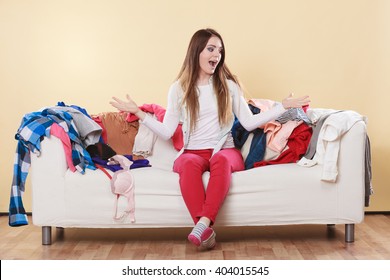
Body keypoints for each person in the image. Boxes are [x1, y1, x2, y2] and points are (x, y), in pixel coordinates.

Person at [110, 28, 310, 250]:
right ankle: (205, 234)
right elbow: (167, 131)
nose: (217, 55)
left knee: (221, 161)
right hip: (192, 152)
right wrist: (140, 114)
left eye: (220, 51)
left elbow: (249, 122)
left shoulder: (228, 86)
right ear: (196, 52)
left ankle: (203, 223)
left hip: (225, 152)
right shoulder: (179, 89)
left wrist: (282, 107)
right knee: (186, 162)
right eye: (211, 49)